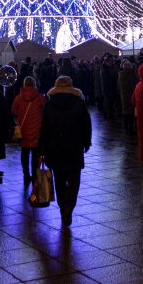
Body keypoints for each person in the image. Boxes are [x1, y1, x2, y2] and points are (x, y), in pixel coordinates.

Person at [40, 75, 91, 227]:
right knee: (74, 180)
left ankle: (63, 208)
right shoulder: (79, 103)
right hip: (74, 146)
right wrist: (86, 142)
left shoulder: (49, 105)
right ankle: (70, 206)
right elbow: (86, 125)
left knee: (59, 179)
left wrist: (42, 146)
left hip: (55, 147)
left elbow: (44, 129)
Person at [12, 75, 45, 183]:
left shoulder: (18, 98)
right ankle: (35, 173)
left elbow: (14, 112)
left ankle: (26, 173)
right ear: (35, 84)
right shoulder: (40, 98)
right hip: (37, 130)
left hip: (23, 130)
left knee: (24, 153)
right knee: (36, 154)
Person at [118, 59, 138, 133]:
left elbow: (118, 86)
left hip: (123, 96)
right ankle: (130, 128)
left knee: (125, 111)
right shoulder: (131, 74)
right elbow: (134, 85)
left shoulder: (120, 75)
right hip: (131, 95)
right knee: (131, 113)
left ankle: (126, 127)